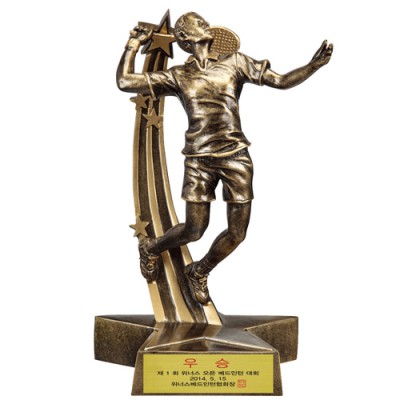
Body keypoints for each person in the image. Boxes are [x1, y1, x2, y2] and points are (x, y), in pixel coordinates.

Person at [117, 12, 333, 304]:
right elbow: (125, 82)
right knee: (194, 230)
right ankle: (151, 248)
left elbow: (281, 81)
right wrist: (132, 45)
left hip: (236, 158)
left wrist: (313, 66)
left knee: (237, 233)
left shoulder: (236, 63)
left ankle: (199, 271)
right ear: (184, 37)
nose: (206, 24)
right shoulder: (178, 75)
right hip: (199, 160)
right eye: (198, 22)